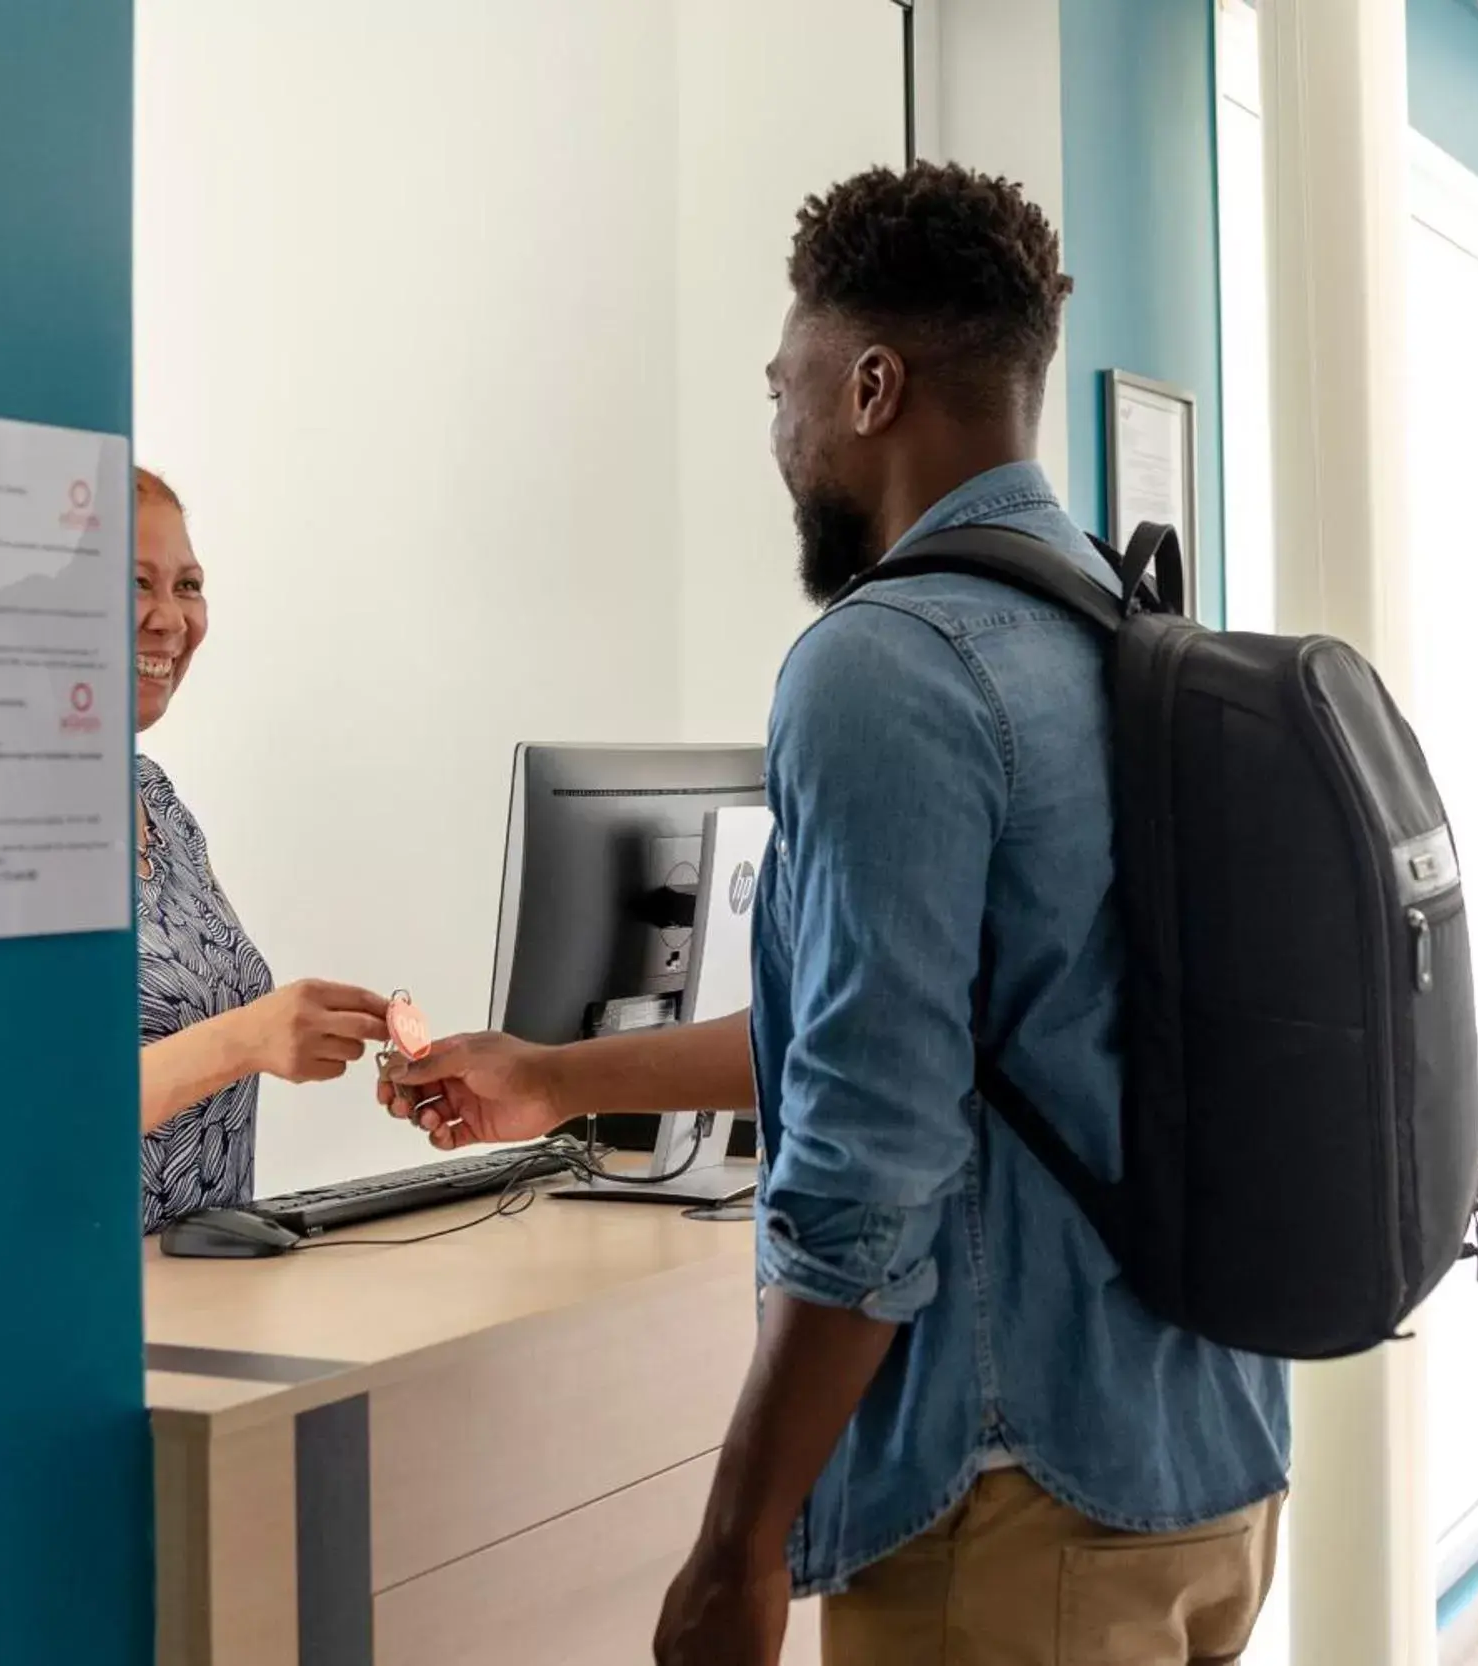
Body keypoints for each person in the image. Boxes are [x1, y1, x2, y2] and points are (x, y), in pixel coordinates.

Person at [380, 165, 1289, 1666]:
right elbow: (907, 1036)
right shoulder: (1112, 620)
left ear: (871, 386)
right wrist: (549, 1076)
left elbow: (873, 1150)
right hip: (1198, 1464)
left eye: (781, 388)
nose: (780, 434)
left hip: (1010, 1498)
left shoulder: (884, 661)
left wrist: (736, 1542)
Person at [131, 466, 393, 1233]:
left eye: (188, 585)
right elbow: (12, 1113)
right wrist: (246, 1039)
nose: (169, 620)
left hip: (204, 1280)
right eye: (135, 584)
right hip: (68, 1292)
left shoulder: (155, 799)